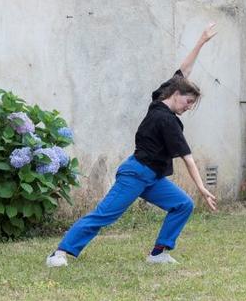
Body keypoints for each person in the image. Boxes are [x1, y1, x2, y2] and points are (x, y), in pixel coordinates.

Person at [46, 24, 219, 266]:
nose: (188, 107)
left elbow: (184, 71)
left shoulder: (159, 101)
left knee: (182, 204)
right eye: (188, 102)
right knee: (105, 215)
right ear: (176, 94)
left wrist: (201, 41)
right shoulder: (166, 120)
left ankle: (158, 253)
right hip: (136, 174)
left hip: (153, 177)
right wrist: (201, 188)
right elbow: (187, 158)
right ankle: (60, 253)